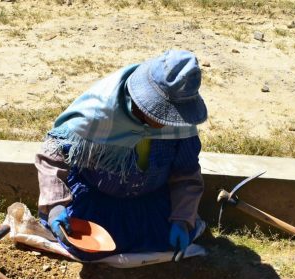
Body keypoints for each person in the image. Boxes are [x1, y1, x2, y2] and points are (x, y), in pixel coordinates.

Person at [35, 49, 207, 260]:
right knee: (85, 243)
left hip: (150, 203)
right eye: (160, 113)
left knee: (168, 242)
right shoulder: (98, 113)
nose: (163, 123)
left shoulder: (179, 126)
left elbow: (186, 173)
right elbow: (51, 158)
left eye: (171, 116)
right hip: (98, 200)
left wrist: (182, 218)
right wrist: (55, 205)